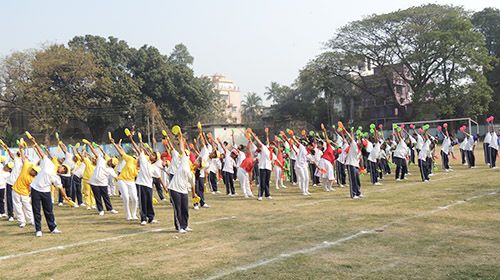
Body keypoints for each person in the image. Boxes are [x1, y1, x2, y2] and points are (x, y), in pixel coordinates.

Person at [27, 135, 71, 237]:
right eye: (63, 167)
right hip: (36, 189)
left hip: (46, 192)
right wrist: (35, 143)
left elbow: (60, 187)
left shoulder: (57, 178)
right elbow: (41, 154)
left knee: (49, 211)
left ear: (63, 173)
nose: (62, 168)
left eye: (64, 170)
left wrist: (65, 197)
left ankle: (53, 228)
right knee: (36, 210)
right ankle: (38, 230)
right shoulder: (48, 163)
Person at [168, 128, 197, 234]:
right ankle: (179, 227)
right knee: (178, 209)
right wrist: (180, 136)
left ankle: (185, 225)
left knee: (185, 209)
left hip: (184, 190)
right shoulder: (184, 161)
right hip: (174, 188)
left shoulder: (192, 173)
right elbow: (181, 147)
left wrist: (194, 196)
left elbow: (193, 185)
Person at [110, 137, 139, 220]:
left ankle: (134, 215)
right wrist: (114, 144)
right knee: (126, 197)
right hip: (122, 180)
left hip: (131, 182)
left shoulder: (141, 168)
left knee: (134, 198)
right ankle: (128, 215)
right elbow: (122, 153)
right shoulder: (131, 159)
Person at [87, 142, 119, 216]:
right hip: (94, 182)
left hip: (103, 184)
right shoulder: (101, 160)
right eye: (111, 161)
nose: (110, 162)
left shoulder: (111, 169)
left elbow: (117, 177)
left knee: (106, 197)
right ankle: (100, 210)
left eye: (112, 163)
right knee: (97, 197)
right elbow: (95, 153)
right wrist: (90, 145)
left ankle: (110, 209)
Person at [11, 143, 36, 228]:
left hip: (25, 192)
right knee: (17, 206)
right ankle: (22, 221)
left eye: (35, 172)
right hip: (16, 189)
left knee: (27, 206)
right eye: (33, 170)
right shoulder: (26, 166)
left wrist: (29, 193)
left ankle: (31, 220)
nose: (33, 172)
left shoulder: (33, 178)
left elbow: (30, 187)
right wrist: (21, 148)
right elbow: (22, 156)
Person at [0, 142, 23, 222]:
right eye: (18, 152)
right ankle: (11, 215)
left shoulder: (24, 160)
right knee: (9, 199)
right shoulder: (16, 159)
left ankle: (18, 214)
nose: (19, 153)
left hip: (19, 184)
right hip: (10, 183)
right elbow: (11, 154)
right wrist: (6, 147)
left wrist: (21, 148)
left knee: (19, 200)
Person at [251, 131, 273, 200]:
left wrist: (267, 133)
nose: (272, 146)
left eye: (273, 145)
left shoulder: (271, 152)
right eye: (272, 144)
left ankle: (267, 195)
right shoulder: (264, 148)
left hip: (268, 168)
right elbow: (259, 141)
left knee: (267, 182)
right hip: (262, 167)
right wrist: (252, 133)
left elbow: (268, 140)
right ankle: (260, 195)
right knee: (262, 182)